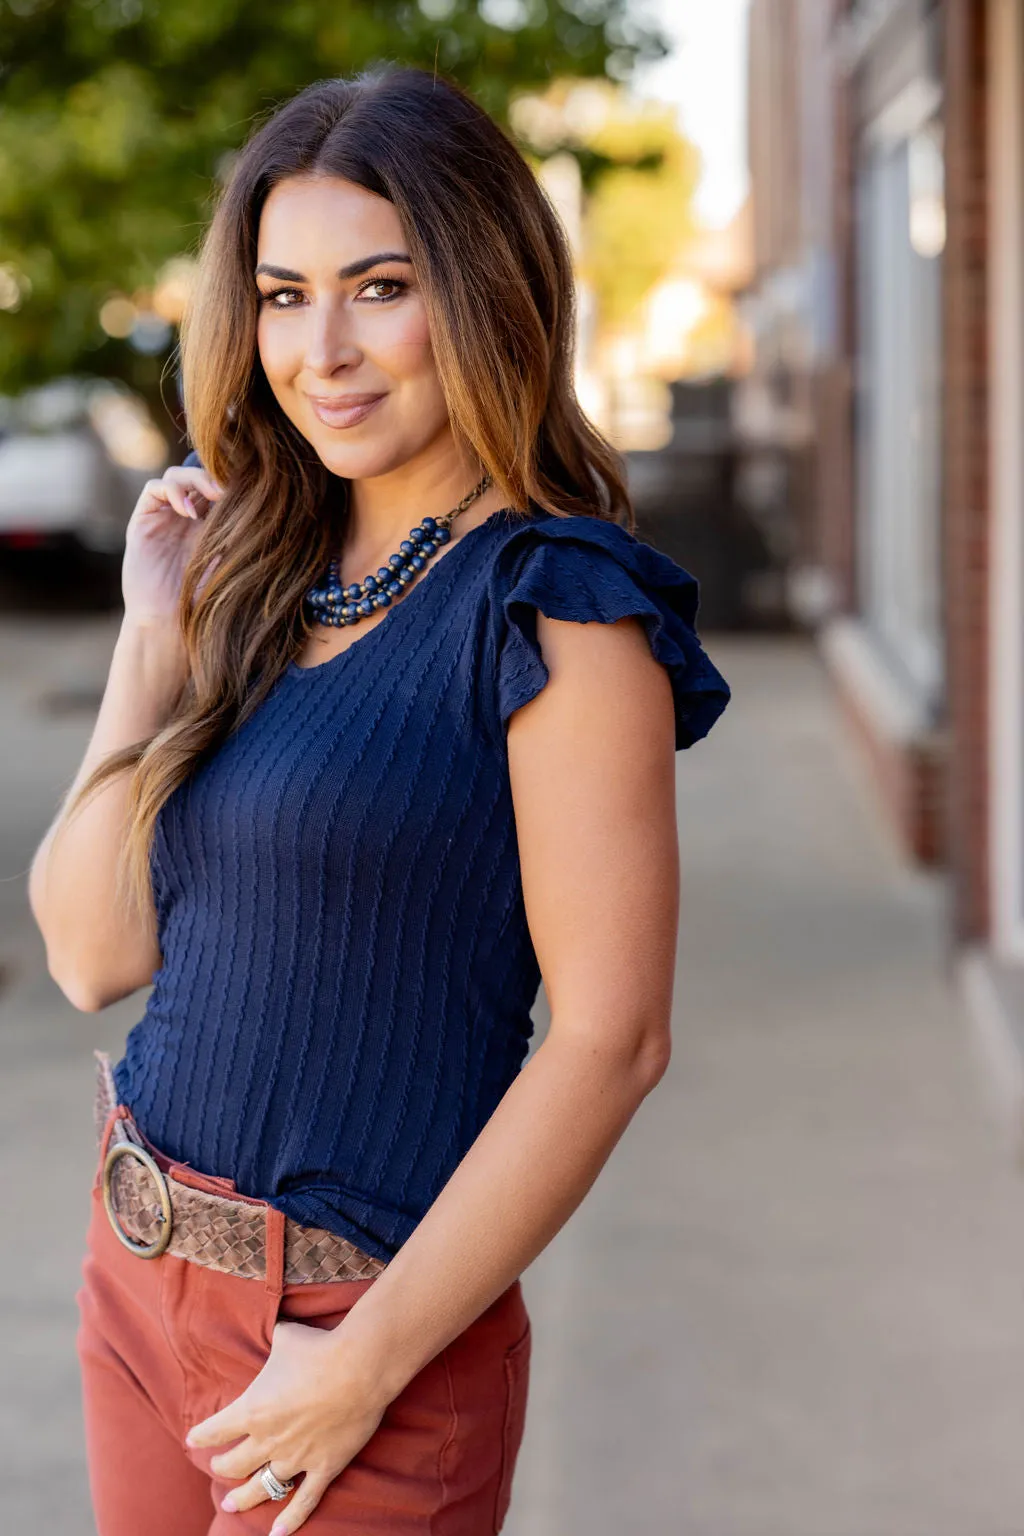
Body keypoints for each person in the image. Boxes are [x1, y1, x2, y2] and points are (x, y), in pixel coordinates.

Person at [28, 64, 730, 1536]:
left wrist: (367, 1365)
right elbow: (93, 953)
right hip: (138, 1271)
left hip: (356, 1336)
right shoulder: (263, 579)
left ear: (481, 292)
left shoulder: (557, 607)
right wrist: (153, 640)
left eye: (379, 286)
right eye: (282, 295)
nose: (321, 349)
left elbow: (613, 1040)